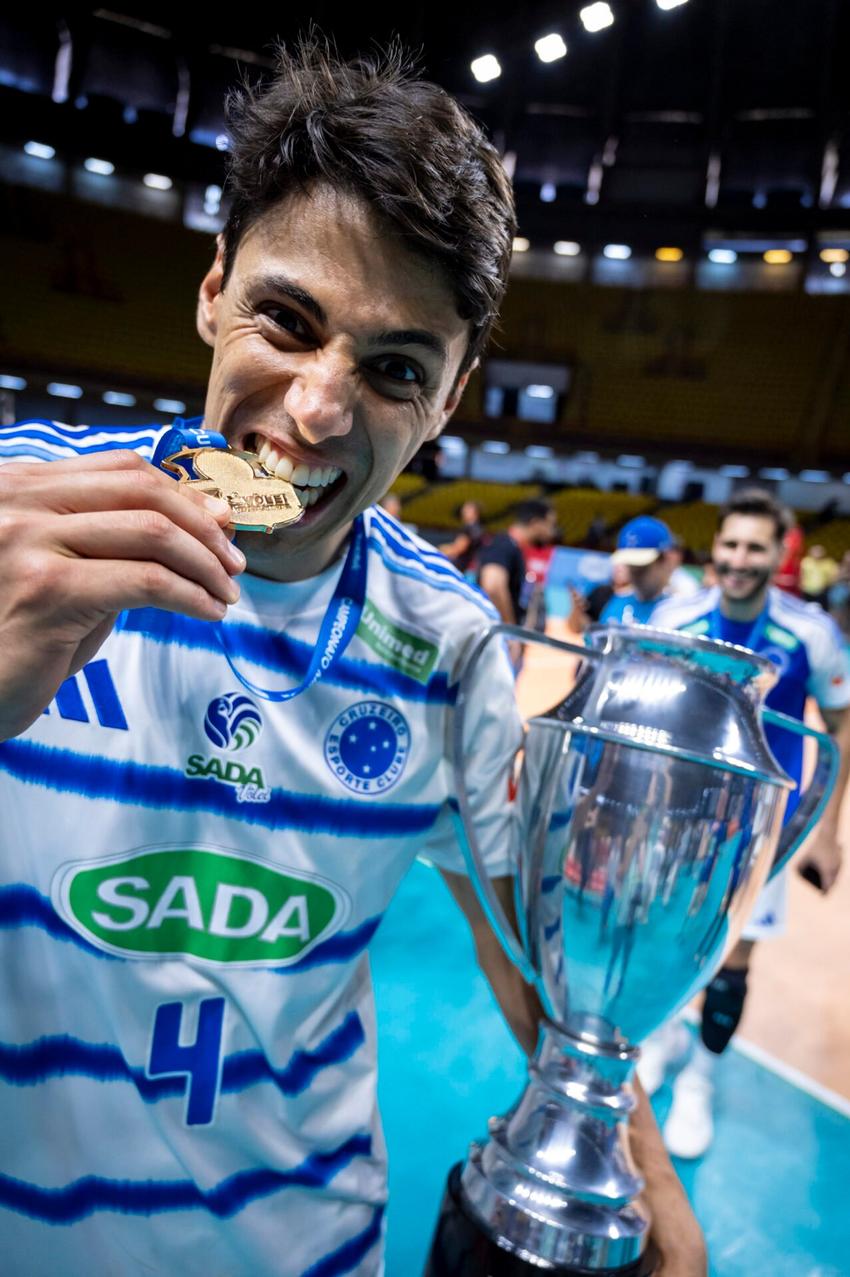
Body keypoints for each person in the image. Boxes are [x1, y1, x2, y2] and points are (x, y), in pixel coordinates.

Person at [0, 41, 704, 1276]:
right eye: (287, 319)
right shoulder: (17, 514)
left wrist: (659, 1204)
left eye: (393, 370)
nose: (318, 410)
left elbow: (526, 955)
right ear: (213, 289)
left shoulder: (447, 643)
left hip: (307, 1247)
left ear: (447, 402)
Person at [644, 489, 850, 1159]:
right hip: (679, 818)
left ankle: (701, 1079)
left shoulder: (810, 632)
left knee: (732, 963)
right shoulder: (677, 616)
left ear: (779, 554)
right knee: (670, 940)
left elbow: (841, 726)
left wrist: (826, 831)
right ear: (715, 546)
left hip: (763, 830)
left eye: (754, 547)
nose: (738, 559)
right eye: (730, 543)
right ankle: (664, 1039)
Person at [477, 498, 557, 627]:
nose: (551, 532)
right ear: (535, 523)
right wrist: (509, 630)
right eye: (550, 525)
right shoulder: (504, 544)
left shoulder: (512, 547)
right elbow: (492, 586)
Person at [599, 515, 679, 625]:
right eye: (630, 565)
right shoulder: (617, 603)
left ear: (666, 560)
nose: (635, 574)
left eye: (642, 568)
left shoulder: (678, 609)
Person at [439, 498, 486, 575]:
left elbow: (458, 549)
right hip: (473, 569)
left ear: (475, 512)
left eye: (467, 510)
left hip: (463, 569)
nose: (463, 512)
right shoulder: (479, 528)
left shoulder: (469, 528)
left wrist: (439, 550)